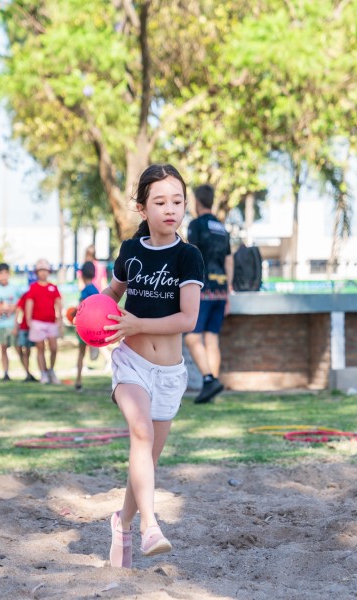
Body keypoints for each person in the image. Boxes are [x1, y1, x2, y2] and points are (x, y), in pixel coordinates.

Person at [100, 164, 204, 568]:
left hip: (170, 374)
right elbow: (112, 294)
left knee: (147, 459)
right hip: (132, 364)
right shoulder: (130, 251)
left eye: (177, 201)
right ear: (142, 208)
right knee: (140, 432)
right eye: (160, 202)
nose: (170, 209)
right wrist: (89, 310)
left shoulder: (188, 256)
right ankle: (150, 527)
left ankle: (123, 523)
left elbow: (188, 319)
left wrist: (138, 322)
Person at [184, 183, 234, 404]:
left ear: (197, 201)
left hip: (203, 289)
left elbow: (192, 255)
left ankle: (208, 379)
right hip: (221, 290)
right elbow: (229, 261)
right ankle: (211, 389)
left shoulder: (196, 225)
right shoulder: (222, 228)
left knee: (192, 337)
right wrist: (228, 292)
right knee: (212, 340)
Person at [24, 258, 63, 384]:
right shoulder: (33, 287)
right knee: (40, 348)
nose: (43, 272)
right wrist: (29, 319)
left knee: (53, 347)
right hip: (37, 322)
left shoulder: (53, 287)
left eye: (45, 270)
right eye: (41, 270)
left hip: (51, 322)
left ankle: (51, 370)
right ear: (37, 272)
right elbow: (29, 303)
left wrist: (60, 319)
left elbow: (58, 303)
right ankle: (43, 373)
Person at [74, 261, 100, 391]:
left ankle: (78, 380)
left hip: (84, 326)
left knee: (81, 353)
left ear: (82, 275)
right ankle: (94, 347)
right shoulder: (96, 290)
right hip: (95, 325)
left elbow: (81, 308)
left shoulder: (84, 291)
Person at [13, 291, 37, 382]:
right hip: (23, 327)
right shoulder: (25, 295)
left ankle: (28, 373)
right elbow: (18, 311)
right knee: (20, 349)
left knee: (27, 351)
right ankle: (27, 372)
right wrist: (16, 327)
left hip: (32, 327)